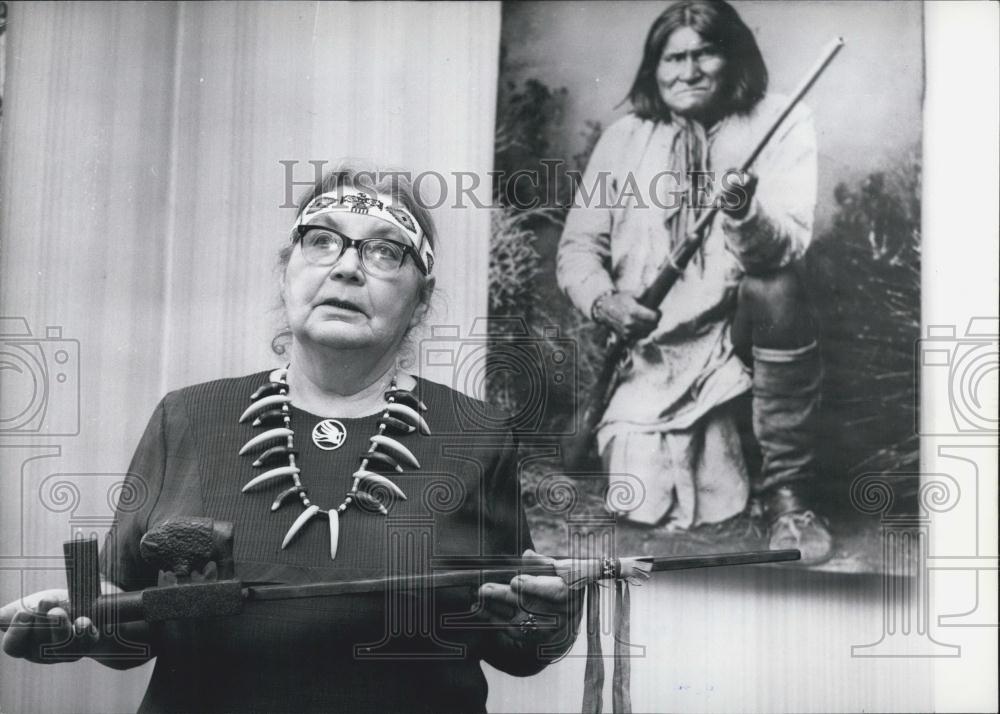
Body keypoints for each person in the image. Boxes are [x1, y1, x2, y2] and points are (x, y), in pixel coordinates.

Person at [1, 163, 583, 713]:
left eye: (385, 250)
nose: (348, 268)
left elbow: (516, 642)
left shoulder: (478, 435)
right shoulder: (188, 416)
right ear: (287, 271)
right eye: (322, 240)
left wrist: (548, 622)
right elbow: (126, 624)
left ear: (421, 299)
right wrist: (72, 624)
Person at [557, 0, 832, 563]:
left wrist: (743, 212)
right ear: (654, 68)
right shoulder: (623, 139)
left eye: (705, 53)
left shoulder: (780, 122)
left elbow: (784, 249)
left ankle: (789, 496)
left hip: (737, 340)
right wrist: (606, 302)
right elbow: (578, 249)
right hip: (649, 354)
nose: (688, 71)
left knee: (776, 285)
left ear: (733, 58)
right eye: (673, 57)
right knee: (640, 496)